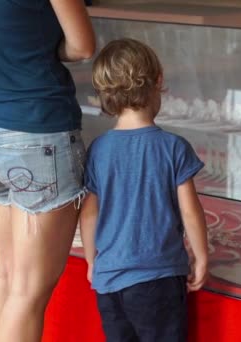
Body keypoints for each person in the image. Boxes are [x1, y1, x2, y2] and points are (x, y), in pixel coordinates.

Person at [0, 1, 95, 341]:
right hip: (37, 128)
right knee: (27, 291)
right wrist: (41, 47)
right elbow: (82, 45)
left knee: (6, 274)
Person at [79, 38, 209, 342]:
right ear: (158, 81)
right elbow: (190, 210)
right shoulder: (173, 147)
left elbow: (88, 213)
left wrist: (91, 261)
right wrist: (201, 256)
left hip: (109, 281)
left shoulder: (98, 149)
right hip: (158, 279)